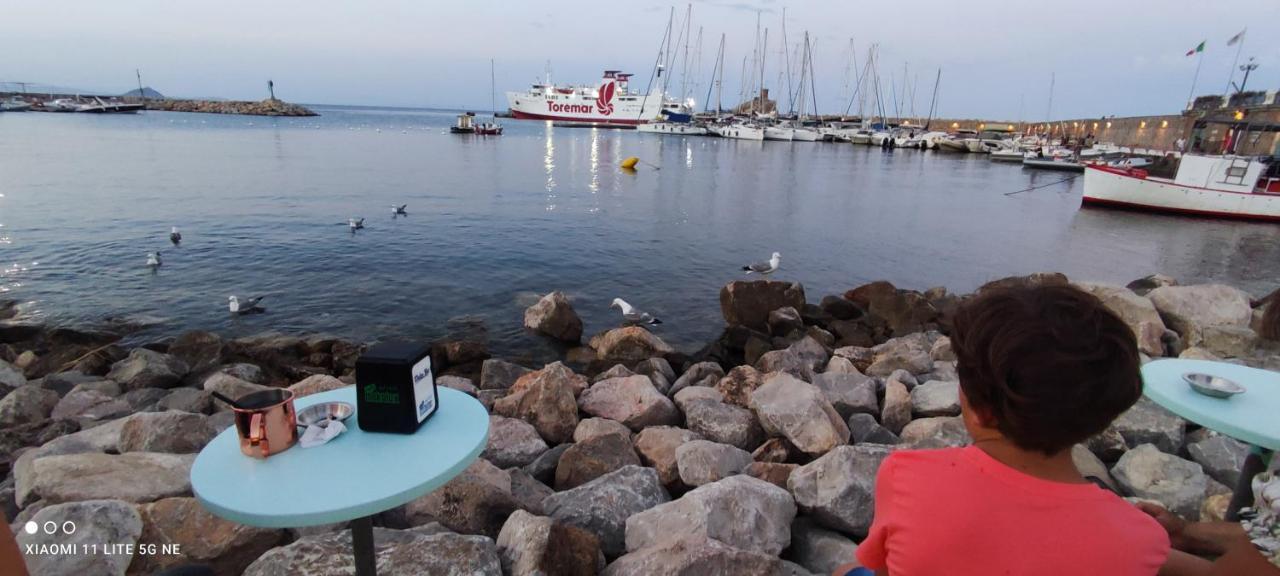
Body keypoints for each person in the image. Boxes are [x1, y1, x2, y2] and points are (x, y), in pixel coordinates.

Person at [836, 284, 1211, 576]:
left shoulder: (907, 476)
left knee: (846, 569)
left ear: (980, 410)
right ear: (1104, 417)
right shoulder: (1141, 539)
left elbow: (886, 569)